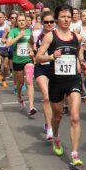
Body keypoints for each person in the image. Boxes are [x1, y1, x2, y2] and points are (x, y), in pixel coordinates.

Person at [36, 4, 85, 170]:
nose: (66, 19)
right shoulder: (50, 36)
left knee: (75, 117)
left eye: (68, 16)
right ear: (57, 19)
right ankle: (56, 137)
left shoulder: (77, 37)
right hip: (56, 81)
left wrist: (81, 62)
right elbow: (38, 57)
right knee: (57, 115)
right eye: (63, 16)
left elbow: (78, 53)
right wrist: (51, 56)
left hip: (73, 80)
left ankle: (75, 154)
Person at [6, 13, 37, 117]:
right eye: (19, 20)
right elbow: (8, 44)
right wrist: (19, 36)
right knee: (20, 83)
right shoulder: (13, 31)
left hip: (28, 60)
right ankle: (19, 95)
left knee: (29, 81)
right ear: (16, 22)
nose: (21, 22)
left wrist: (32, 51)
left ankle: (31, 107)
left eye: (23, 20)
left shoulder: (30, 31)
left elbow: (33, 45)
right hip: (17, 61)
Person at [32, 12, 55, 140]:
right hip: (41, 68)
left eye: (51, 22)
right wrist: (31, 50)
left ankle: (47, 122)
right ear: (42, 23)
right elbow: (30, 42)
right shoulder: (36, 34)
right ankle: (49, 128)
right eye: (46, 22)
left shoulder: (58, 35)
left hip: (55, 68)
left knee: (55, 100)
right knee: (46, 97)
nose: (49, 24)